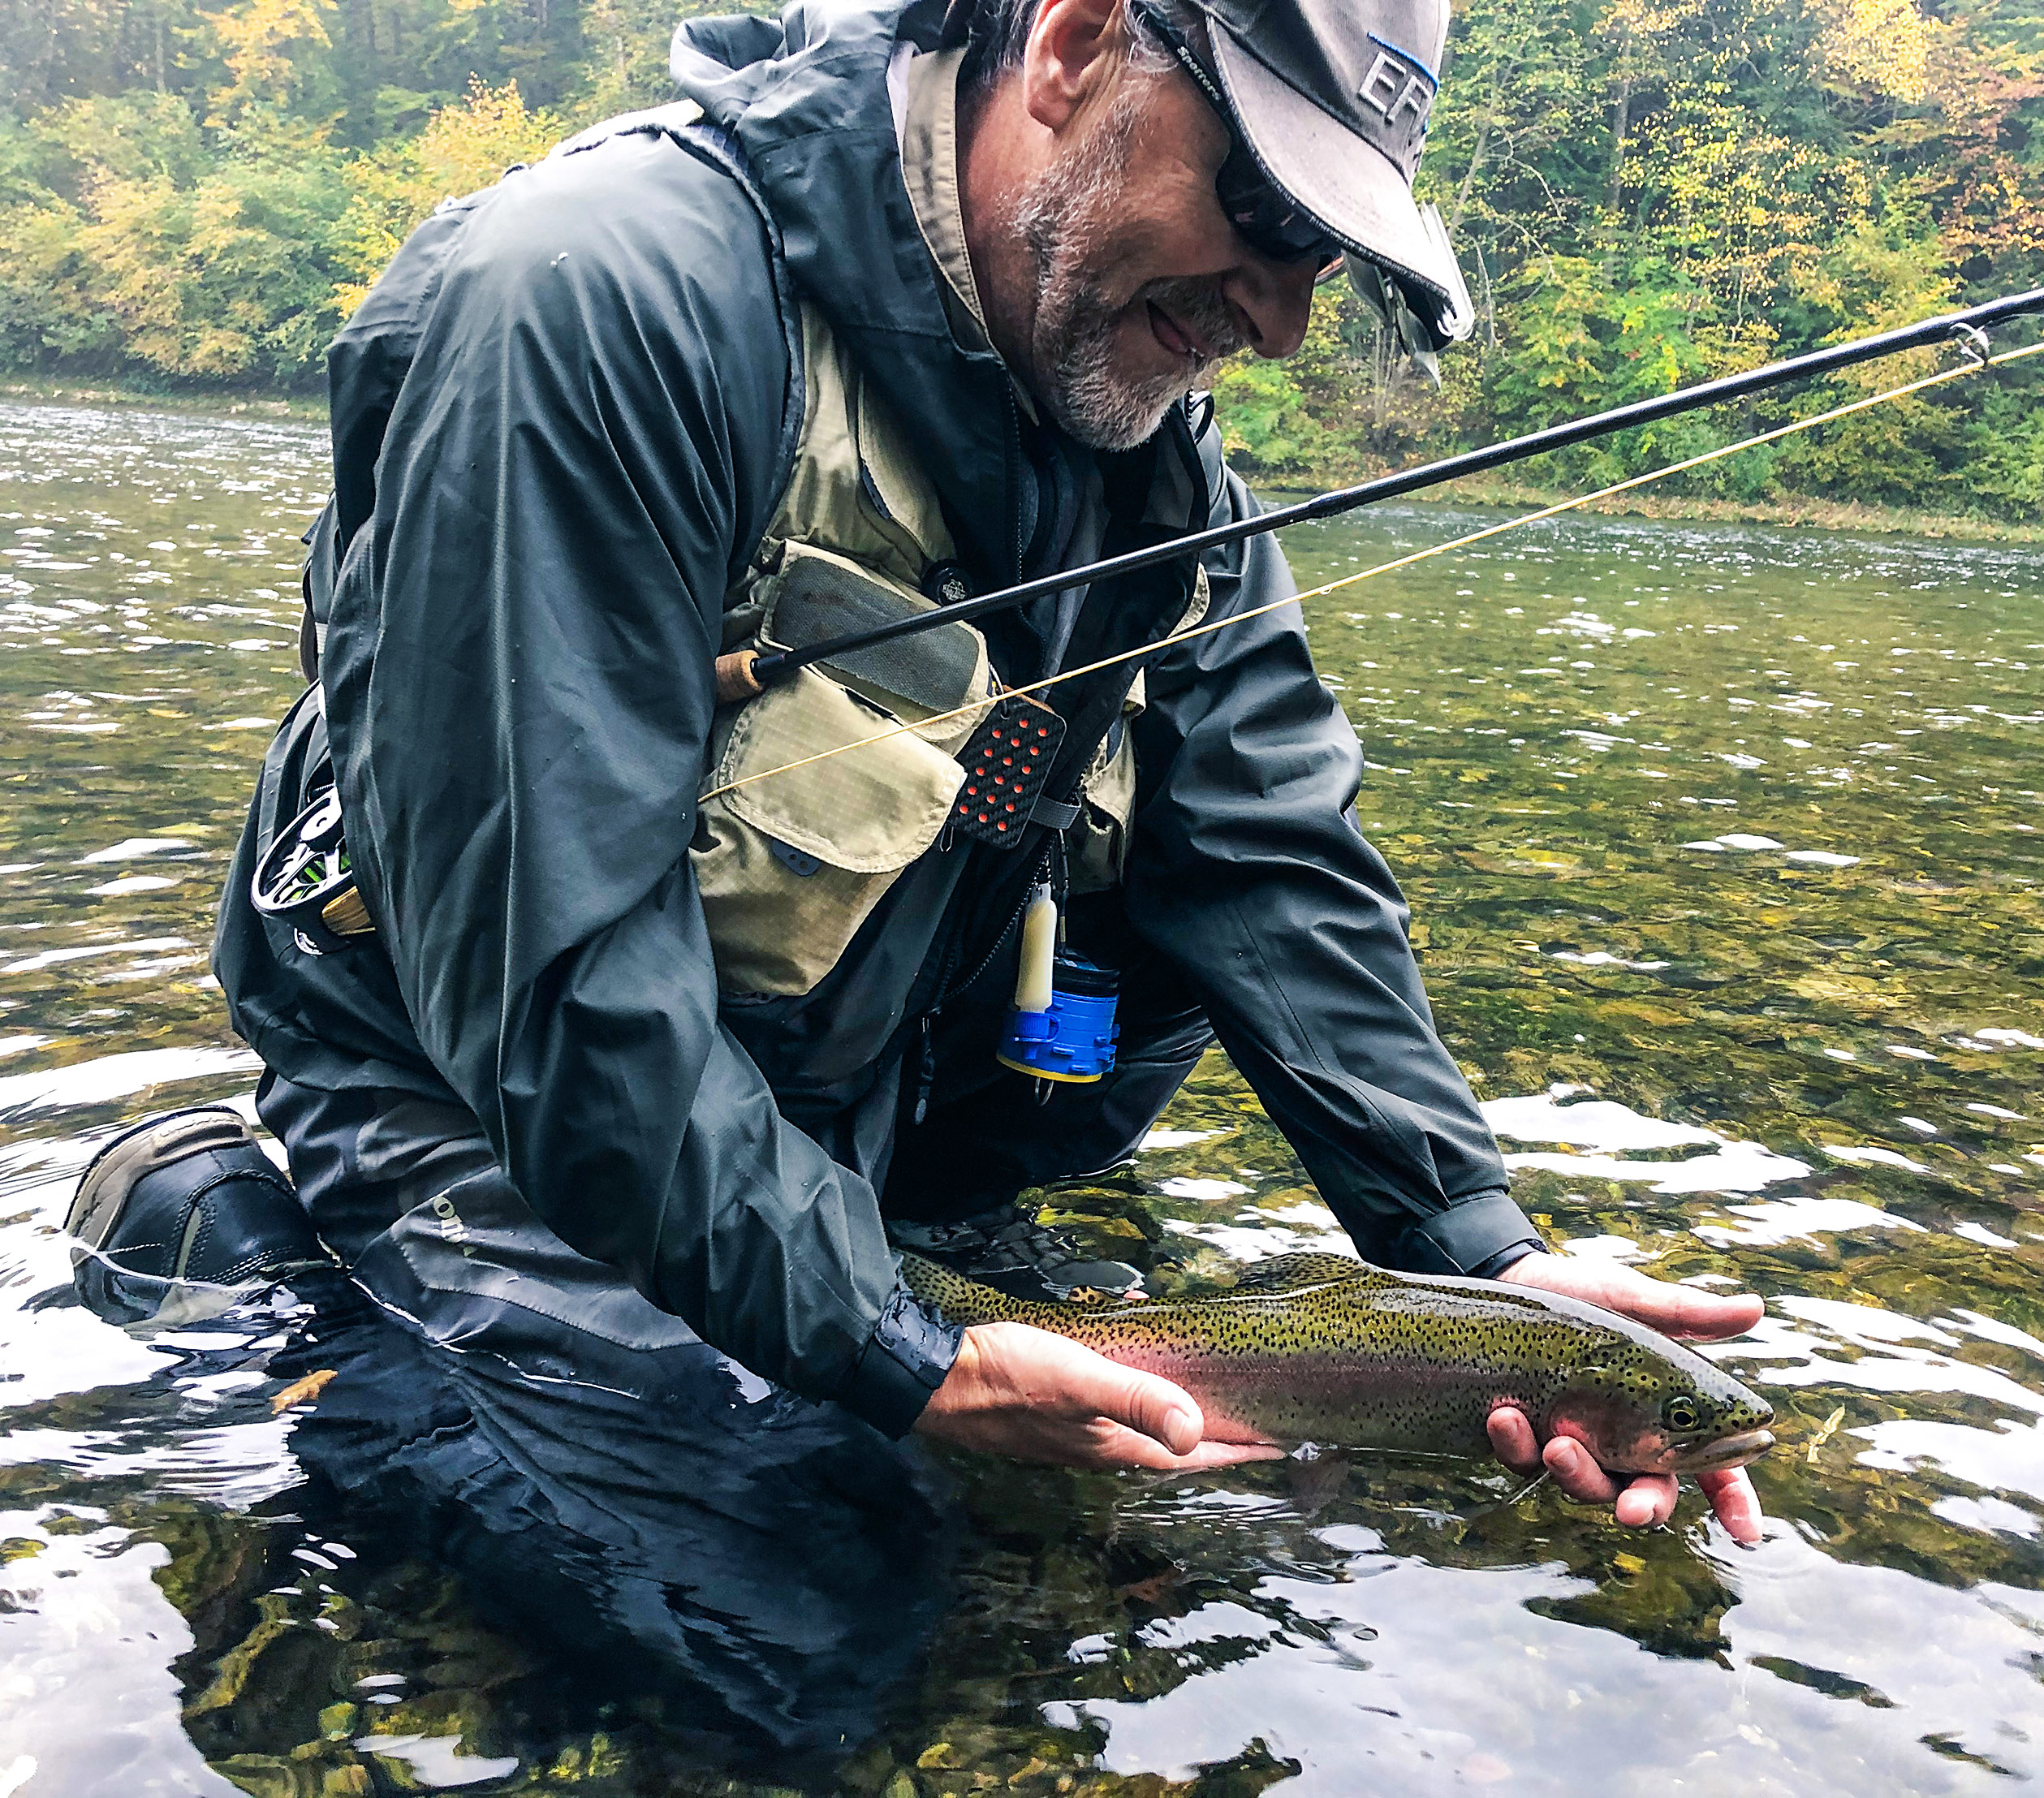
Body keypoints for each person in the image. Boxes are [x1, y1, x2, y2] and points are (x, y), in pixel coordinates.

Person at [99, 0, 1768, 1541]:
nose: (1278, 316)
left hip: (829, 1095)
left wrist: (1491, 1276)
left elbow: (1274, 865)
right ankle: (244, 1257)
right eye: (1264, 214)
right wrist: (905, 1355)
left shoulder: (1150, 462)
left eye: (1325, 259)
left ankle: (800, 1278)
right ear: (1073, 42)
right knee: (788, 1613)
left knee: (1052, 1526)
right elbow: (558, 966)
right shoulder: (600, 300)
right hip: (470, 1074)